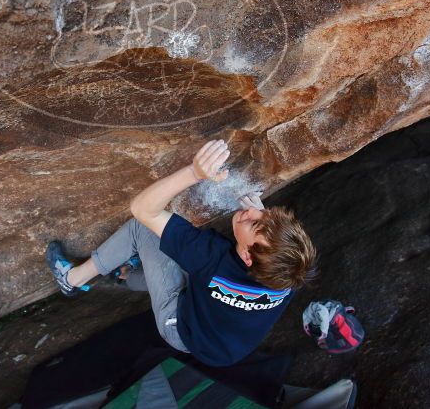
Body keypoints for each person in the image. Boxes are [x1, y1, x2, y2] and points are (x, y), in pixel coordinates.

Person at [46, 139, 318, 366]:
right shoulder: (287, 271)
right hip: (224, 345)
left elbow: (143, 210)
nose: (253, 211)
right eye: (266, 214)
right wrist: (261, 222)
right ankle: (125, 276)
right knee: (196, 279)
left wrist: (195, 173)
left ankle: (72, 279)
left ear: (248, 257)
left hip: (182, 330)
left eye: (255, 222)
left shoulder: (209, 258)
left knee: (143, 231)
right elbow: (260, 250)